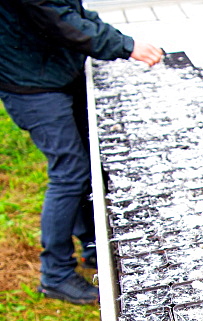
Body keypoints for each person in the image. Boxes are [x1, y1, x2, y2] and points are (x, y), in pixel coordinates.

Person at [0, 0, 162, 305]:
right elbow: (59, 20)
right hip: (32, 83)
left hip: (52, 69)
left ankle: (93, 247)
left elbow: (72, 11)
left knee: (85, 167)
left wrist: (115, 38)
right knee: (69, 173)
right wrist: (126, 46)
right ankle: (56, 275)